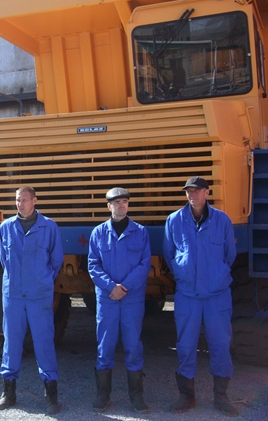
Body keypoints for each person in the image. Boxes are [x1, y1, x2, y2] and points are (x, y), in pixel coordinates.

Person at [163, 176, 239, 417]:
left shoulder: (222, 220)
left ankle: (221, 397)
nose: (192, 195)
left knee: (220, 345)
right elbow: (169, 254)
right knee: (185, 346)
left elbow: (229, 255)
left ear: (207, 193)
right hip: (188, 296)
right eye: (189, 191)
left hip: (216, 296)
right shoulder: (174, 220)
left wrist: (217, 275)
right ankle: (187, 396)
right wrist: (183, 274)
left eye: (197, 191)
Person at [0, 186, 64, 414]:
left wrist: (42, 281)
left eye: (24, 200)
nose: (20, 204)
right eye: (17, 200)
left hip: (38, 296)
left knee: (44, 343)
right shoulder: (5, 227)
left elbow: (56, 261)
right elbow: (4, 259)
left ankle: (51, 396)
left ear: (35, 201)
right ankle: (8, 393)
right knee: (11, 343)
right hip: (13, 295)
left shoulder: (49, 227)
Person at [88, 188, 151, 413]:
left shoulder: (140, 232)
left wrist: (124, 287)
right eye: (116, 202)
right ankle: (103, 396)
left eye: (124, 201)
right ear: (109, 206)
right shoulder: (98, 233)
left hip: (131, 298)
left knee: (133, 346)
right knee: (105, 346)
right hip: (107, 299)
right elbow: (93, 265)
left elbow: (145, 264)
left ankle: (137, 396)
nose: (121, 205)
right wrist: (111, 287)